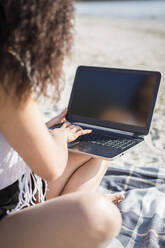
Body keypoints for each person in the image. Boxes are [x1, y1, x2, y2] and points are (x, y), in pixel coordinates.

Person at [0, 1, 123, 247]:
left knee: (98, 154)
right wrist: (59, 136)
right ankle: (67, 216)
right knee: (101, 216)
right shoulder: (6, 72)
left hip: (13, 192)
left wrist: (41, 128)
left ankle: (62, 215)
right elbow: (52, 168)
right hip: (7, 213)